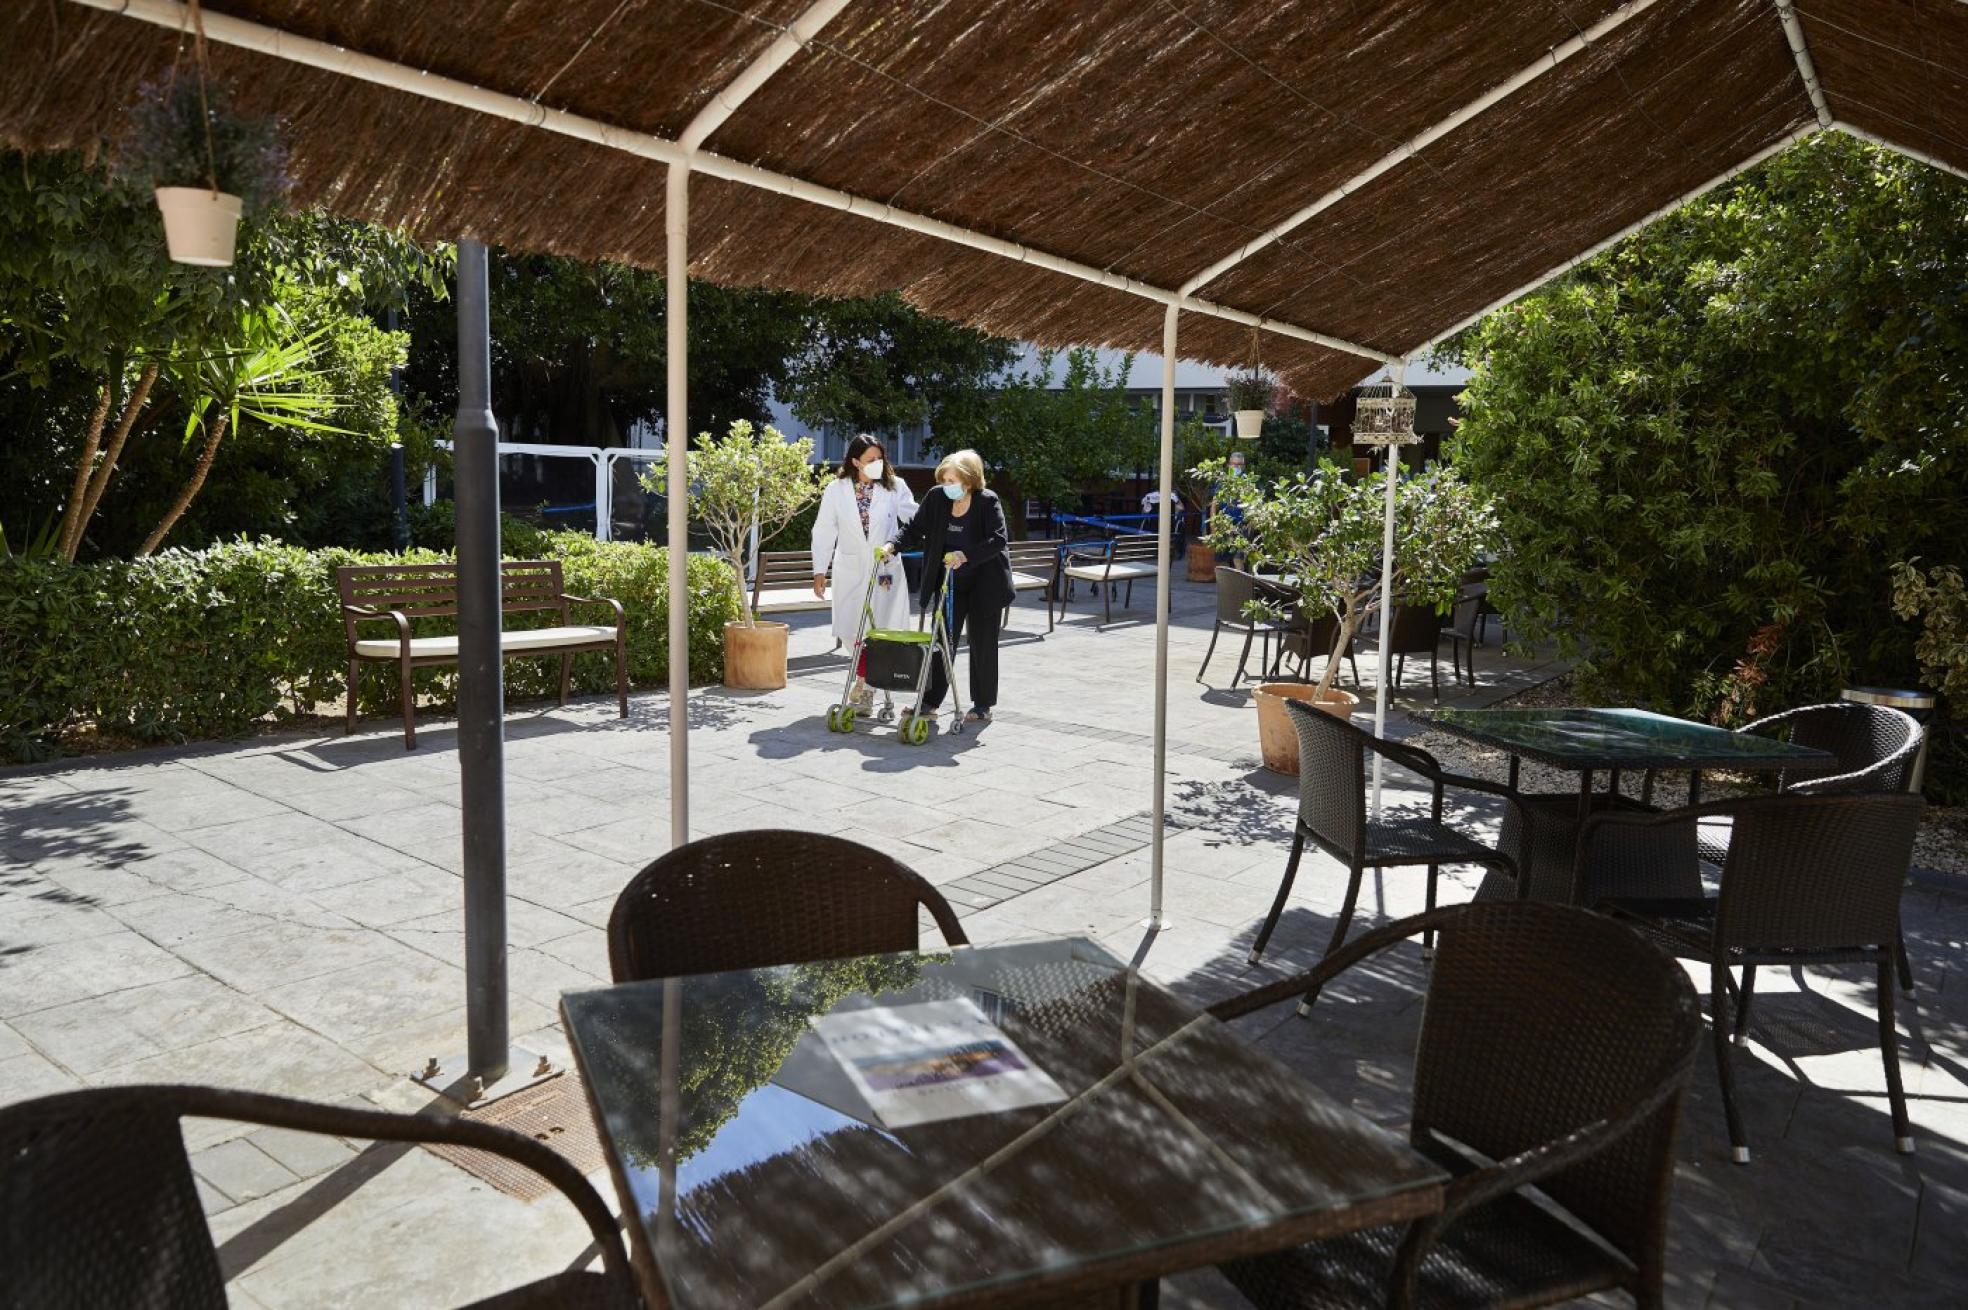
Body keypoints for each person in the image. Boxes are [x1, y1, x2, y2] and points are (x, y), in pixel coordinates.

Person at [880, 449, 1012, 725]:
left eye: (953, 480)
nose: (946, 486)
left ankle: (982, 704)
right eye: (944, 480)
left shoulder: (987, 501)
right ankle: (930, 702)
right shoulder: (936, 498)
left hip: (985, 581)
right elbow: (914, 528)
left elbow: (998, 540)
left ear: (970, 480)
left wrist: (966, 556)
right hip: (948, 582)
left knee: (982, 643)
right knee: (941, 642)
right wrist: (892, 546)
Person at [812, 435, 917, 710]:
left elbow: (916, 519)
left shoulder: (896, 487)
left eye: (880, 458)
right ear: (856, 461)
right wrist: (819, 570)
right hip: (850, 567)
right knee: (849, 626)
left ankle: (867, 688)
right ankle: (865, 676)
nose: (878, 464)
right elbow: (824, 529)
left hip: (885, 570)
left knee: (883, 627)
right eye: (871, 460)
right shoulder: (836, 489)